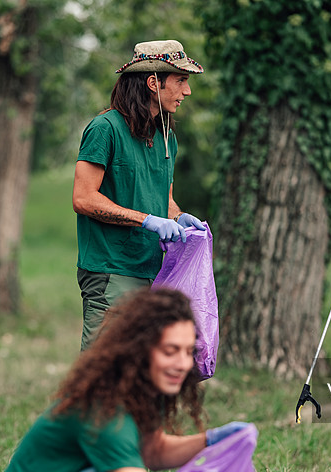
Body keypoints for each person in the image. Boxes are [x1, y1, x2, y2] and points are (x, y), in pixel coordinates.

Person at [0, 288, 248, 472]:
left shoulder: (144, 389)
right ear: (141, 351)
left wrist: (210, 441)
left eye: (188, 351)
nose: (182, 363)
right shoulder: (105, 410)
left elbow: (153, 451)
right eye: (170, 351)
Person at [72, 39, 208, 350]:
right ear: (152, 83)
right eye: (181, 81)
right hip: (111, 271)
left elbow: (165, 198)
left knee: (140, 376)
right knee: (103, 374)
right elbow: (83, 198)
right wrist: (147, 220)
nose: (187, 92)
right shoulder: (104, 129)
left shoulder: (166, 137)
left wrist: (177, 216)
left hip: (154, 273)